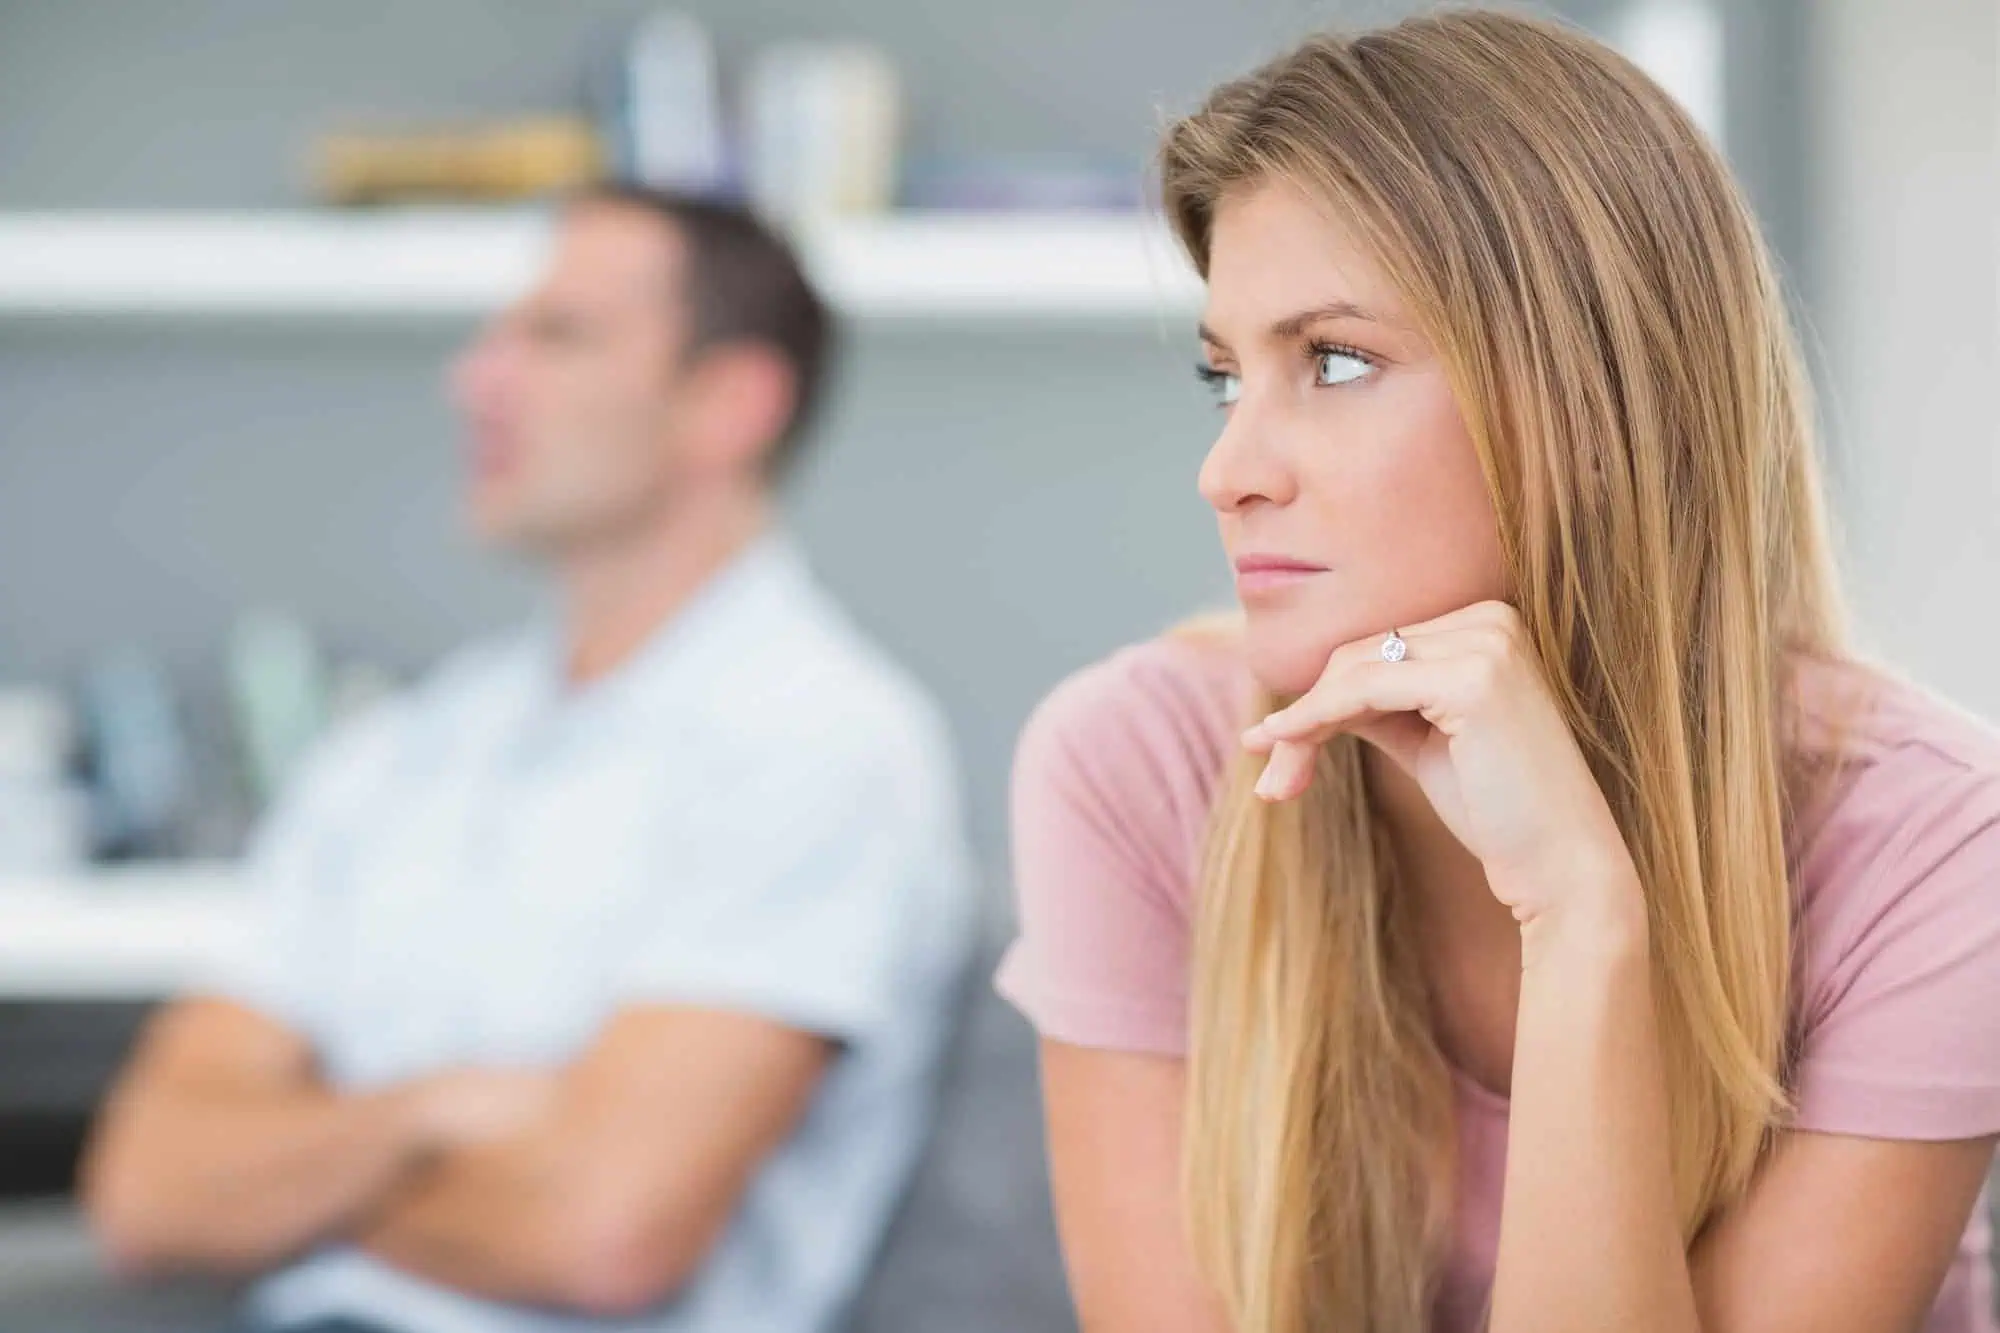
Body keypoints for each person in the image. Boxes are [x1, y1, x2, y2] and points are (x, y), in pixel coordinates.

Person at [996, 10, 2000, 1333]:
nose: (1229, 469)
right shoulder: (1134, 764)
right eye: (1224, 376)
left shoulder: (1933, 840)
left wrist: (1582, 917)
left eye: (1336, 362)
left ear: (1589, 403)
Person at [81, 183, 978, 1333]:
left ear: (728, 404)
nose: (477, 377)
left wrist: (291, 1170)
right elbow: (145, 1188)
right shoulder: (413, 743)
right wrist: (430, 1114)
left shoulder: (820, 745)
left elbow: (601, 1234)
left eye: (558, 335)